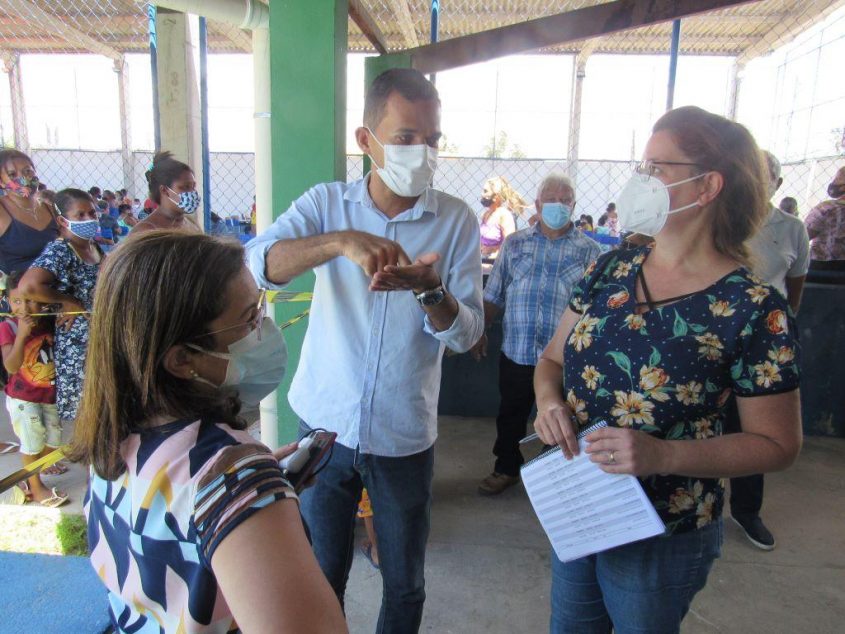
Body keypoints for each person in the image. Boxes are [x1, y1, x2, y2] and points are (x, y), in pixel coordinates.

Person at [534, 106, 802, 632]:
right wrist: (549, 404)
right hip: (581, 505)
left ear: (707, 187)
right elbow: (551, 360)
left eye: (657, 169)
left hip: (664, 529)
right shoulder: (610, 268)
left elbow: (778, 444)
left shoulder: (753, 307)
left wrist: (663, 453)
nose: (641, 181)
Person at [246, 67, 483, 632]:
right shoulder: (328, 203)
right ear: (365, 141)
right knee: (319, 575)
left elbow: (468, 332)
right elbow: (257, 263)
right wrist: (339, 241)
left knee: (404, 583)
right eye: (404, 138)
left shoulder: (454, 221)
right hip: (324, 426)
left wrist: (431, 291)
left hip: (403, 434)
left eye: (432, 139)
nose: (420, 152)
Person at [68, 231, 347, 634]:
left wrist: (249, 503)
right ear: (182, 360)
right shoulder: (231, 473)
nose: (263, 328)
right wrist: (247, 490)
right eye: (249, 318)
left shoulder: (109, 437)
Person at [473, 173, 601, 495]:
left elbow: (598, 311)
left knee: (562, 418)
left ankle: (555, 476)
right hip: (517, 349)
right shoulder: (515, 244)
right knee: (511, 414)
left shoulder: (591, 252)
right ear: (539, 203)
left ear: (573, 206)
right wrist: (479, 331)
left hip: (565, 358)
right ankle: (506, 468)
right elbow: (494, 295)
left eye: (565, 199)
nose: (558, 204)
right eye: (551, 198)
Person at [721, 150, 809, 551]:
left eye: (764, 177)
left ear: (776, 182)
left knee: (752, 433)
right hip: (714, 339)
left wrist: (775, 324)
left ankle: (746, 511)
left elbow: (795, 287)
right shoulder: (722, 221)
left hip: (761, 347)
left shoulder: (791, 229)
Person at [19, 189, 104, 426]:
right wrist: (69, 302)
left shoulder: (93, 247)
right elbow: (29, 286)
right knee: (90, 411)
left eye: (91, 213)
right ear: (62, 221)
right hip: (79, 344)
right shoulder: (61, 250)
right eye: (80, 215)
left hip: (100, 335)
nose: (88, 219)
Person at [0, 271, 68, 507]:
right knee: (32, 443)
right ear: (8, 301)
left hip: (48, 396)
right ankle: (36, 486)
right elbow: (11, 366)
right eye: (17, 301)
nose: (25, 307)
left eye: (31, 300)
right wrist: (22, 335)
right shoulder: (8, 327)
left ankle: (42, 465)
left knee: (55, 439)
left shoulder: (49, 322)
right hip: (23, 399)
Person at [0, 149, 59, 276]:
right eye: (12, 174)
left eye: (27, 171)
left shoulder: (50, 209)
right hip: (20, 290)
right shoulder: (2, 210)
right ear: (1, 182)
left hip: (56, 285)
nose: (23, 178)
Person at [131, 151, 201, 235]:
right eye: (186, 187)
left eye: (193, 186)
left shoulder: (191, 223)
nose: (193, 192)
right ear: (164, 190)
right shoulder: (146, 231)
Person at [479, 176, 530, 258]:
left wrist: (493, 249)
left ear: (496, 196)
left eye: (485, 191)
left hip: (496, 263)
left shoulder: (504, 216)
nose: (482, 194)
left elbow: (511, 246)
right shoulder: (486, 214)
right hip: (484, 260)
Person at [804, 166, 845, 261]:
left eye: (837, 179)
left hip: (820, 269)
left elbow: (801, 239)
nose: (834, 183)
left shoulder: (826, 208)